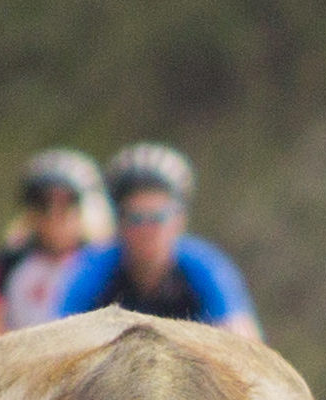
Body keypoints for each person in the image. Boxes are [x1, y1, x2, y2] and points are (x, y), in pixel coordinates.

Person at [51, 142, 262, 340]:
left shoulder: (204, 265)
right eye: (136, 218)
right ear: (119, 222)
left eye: (158, 218)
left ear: (179, 219)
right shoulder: (94, 267)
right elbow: (61, 338)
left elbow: (244, 341)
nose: (147, 231)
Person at [0, 148, 103, 353]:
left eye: (66, 203)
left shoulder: (105, 264)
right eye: (42, 203)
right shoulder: (7, 264)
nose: (53, 215)